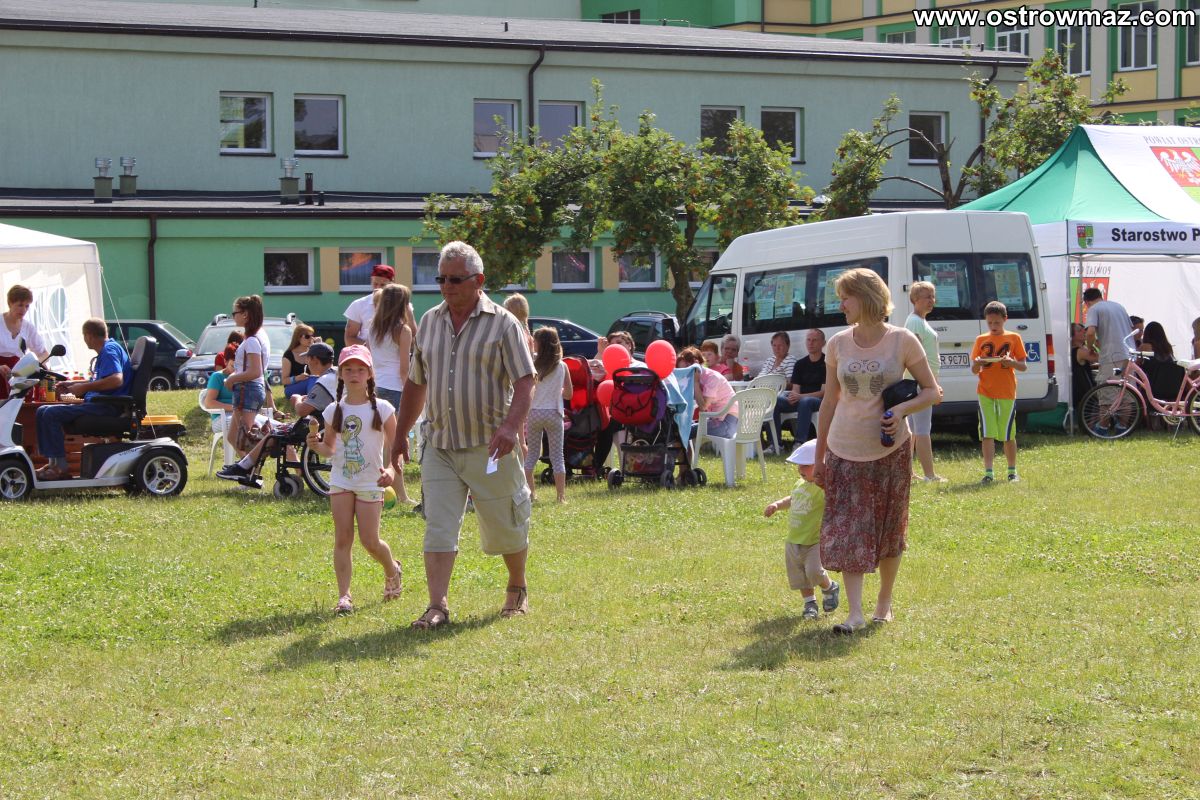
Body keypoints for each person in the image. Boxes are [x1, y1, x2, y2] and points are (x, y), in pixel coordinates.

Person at [393, 241, 535, 629]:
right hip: (439, 444)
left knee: (506, 524)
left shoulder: (504, 324)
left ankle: (517, 587)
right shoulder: (429, 322)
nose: (446, 286)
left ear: (478, 280)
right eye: (441, 279)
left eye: (455, 279)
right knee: (438, 525)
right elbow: (416, 382)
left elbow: (526, 381)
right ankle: (437, 605)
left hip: (490, 446)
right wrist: (400, 434)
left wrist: (510, 427)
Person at [812, 268, 939, 634]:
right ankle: (854, 613)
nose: (841, 306)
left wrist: (900, 411)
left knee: (888, 529)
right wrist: (819, 457)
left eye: (845, 298)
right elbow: (829, 401)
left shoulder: (903, 340)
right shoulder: (837, 343)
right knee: (849, 530)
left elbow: (933, 391)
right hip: (843, 449)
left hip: (890, 451)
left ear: (866, 299)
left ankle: (884, 601)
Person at [305, 345, 402, 614]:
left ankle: (392, 569)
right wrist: (316, 445)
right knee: (343, 538)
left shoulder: (382, 409)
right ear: (341, 375)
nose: (354, 374)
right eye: (348, 369)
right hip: (341, 480)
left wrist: (391, 471)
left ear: (370, 374)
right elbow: (330, 448)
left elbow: (397, 448)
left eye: (360, 369)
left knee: (370, 541)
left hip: (371, 482)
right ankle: (344, 596)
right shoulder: (334, 410)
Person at [218, 341, 339, 488]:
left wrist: (297, 399)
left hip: (317, 425)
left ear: (314, 359)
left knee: (274, 434)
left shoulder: (325, 381)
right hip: (328, 422)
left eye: (308, 358)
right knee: (276, 431)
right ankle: (246, 466)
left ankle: (245, 467)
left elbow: (302, 410)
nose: (306, 362)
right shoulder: (336, 375)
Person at [34, 318, 133, 481]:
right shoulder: (107, 350)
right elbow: (101, 380)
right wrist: (73, 384)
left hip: (106, 406)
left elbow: (116, 379)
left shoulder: (109, 351)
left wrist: (84, 388)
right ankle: (53, 463)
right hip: (100, 404)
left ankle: (60, 467)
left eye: (84, 336)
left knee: (50, 413)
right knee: (43, 410)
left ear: (89, 336)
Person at [763, 440, 839, 621]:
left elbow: (835, 500)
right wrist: (777, 505)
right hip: (794, 540)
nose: (800, 469)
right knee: (800, 576)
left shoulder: (823, 488)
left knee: (814, 571)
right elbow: (792, 499)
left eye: (805, 465)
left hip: (813, 540)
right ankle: (809, 604)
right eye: (799, 465)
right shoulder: (800, 484)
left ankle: (829, 587)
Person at [971, 301, 1027, 484]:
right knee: (987, 433)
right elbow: (974, 369)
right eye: (990, 323)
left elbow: (1023, 366)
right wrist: (979, 363)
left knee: (1008, 433)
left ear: (1005, 319)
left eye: (997, 322)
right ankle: (988, 472)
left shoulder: (1014, 338)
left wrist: (1011, 363)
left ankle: (1012, 471)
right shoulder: (980, 339)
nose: (993, 326)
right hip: (985, 391)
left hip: (1006, 392)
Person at [523, 327, 573, 504]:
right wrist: (558, 391)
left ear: (538, 344)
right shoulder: (562, 365)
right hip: (554, 412)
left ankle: (531, 493)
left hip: (534, 412)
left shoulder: (532, 363)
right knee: (557, 457)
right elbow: (569, 394)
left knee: (531, 456)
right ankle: (561, 497)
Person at [903, 282, 944, 482]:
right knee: (922, 430)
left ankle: (908, 472)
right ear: (915, 299)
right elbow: (916, 357)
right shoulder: (914, 322)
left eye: (932, 296)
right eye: (926, 297)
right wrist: (931, 385)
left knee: (912, 430)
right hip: (920, 384)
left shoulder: (920, 321)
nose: (931, 300)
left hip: (922, 383)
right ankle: (929, 475)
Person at [224, 295, 271, 456]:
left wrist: (232, 378)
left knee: (247, 440)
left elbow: (255, 371)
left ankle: (252, 468)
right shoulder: (259, 334)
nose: (233, 316)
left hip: (248, 390)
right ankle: (247, 468)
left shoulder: (252, 340)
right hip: (250, 389)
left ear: (245, 314)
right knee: (233, 437)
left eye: (234, 313)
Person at [766, 328, 825, 454]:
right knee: (774, 400)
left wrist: (800, 396)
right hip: (800, 399)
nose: (811, 343)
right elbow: (795, 389)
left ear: (823, 343)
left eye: (815, 340)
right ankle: (775, 444)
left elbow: (824, 392)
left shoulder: (827, 363)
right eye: (808, 340)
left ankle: (799, 442)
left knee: (805, 401)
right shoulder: (800, 364)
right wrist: (794, 396)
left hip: (819, 400)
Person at [344, 264, 417, 348]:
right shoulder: (358, 305)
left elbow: (413, 334)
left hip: (395, 354)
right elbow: (349, 339)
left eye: (382, 285)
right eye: (375, 284)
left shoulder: (402, 305)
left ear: (392, 284)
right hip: (367, 354)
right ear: (371, 281)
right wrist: (374, 350)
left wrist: (405, 307)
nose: (378, 288)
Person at [0, 285, 49, 400]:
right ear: (10, 303)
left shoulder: (28, 327)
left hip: (18, 376)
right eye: (20, 305)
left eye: (27, 306)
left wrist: (31, 367)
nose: (24, 310)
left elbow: (44, 354)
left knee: (21, 405)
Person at [677, 346, 738, 438]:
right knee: (681, 428)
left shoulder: (712, 378)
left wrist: (695, 382)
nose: (685, 375)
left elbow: (703, 407)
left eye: (686, 370)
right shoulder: (697, 378)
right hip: (717, 419)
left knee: (684, 432)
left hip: (727, 423)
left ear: (696, 365)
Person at [1083, 287, 1133, 380]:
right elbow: (1131, 327)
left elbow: (1090, 333)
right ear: (1100, 296)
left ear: (1087, 303)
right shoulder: (1119, 306)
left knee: (1108, 387)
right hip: (1130, 354)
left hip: (1112, 355)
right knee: (1128, 387)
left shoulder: (1094, 309)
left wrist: (1090, 347)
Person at [1138, 321, 1184, 403]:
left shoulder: (1145, 346)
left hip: (1152, 386)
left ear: (1147, 333)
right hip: (1171, 386)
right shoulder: (1167, 347)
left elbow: (1136, 364)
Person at [280, 323, 316, 398]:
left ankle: (312, 398)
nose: (311, 339)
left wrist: (320, 345)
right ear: (298, 337)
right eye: (307, 336)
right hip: (292, 388)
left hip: (310, 385)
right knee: (312, 380)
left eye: (312, 336)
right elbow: (284, 380)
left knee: (315, 379)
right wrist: (297, 378)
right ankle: (312, 400)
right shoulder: (289, 355)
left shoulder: (313, 353)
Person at [1070, 322, 1098, 418]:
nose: (1084, 331)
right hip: (1084, 391)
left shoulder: (1073, 350)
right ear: (1072, 336)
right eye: (1079, 330)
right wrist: (1098, 344)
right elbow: (1103, 358)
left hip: (1075, 390)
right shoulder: (1081, 351)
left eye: (1083, 329)